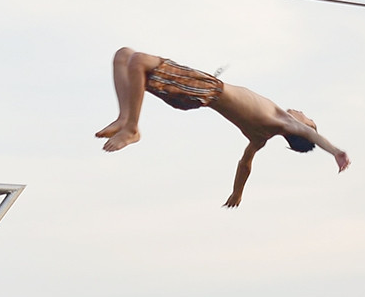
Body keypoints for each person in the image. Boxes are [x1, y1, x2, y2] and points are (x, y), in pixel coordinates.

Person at [94, 48, 350, 208]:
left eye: (308, 119)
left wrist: (336, 152)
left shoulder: (283, 121)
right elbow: (245, 164)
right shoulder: (260, 137)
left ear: (299, 129)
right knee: (124, 57)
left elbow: (311, 135)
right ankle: (124, 119)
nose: (304, 114)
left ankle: (131, 127)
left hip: (205, 89)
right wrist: (237, 192)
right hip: (198, 91)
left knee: (137, 60)